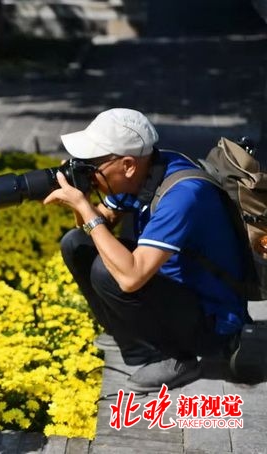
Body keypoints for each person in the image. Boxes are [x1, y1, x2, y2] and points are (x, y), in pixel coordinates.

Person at [43, 108, 250, 392]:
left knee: (110, 272)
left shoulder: (183, 194)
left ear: (127, 164)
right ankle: (133, 341)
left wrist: (83, 207)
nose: (86, 168)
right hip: (173, 290)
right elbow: (101, 222)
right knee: (76, 244)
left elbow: (131, 277)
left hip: (212, 320)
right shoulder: (145, 170)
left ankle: (181, 358)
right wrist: (84, 196)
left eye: (92, 164)